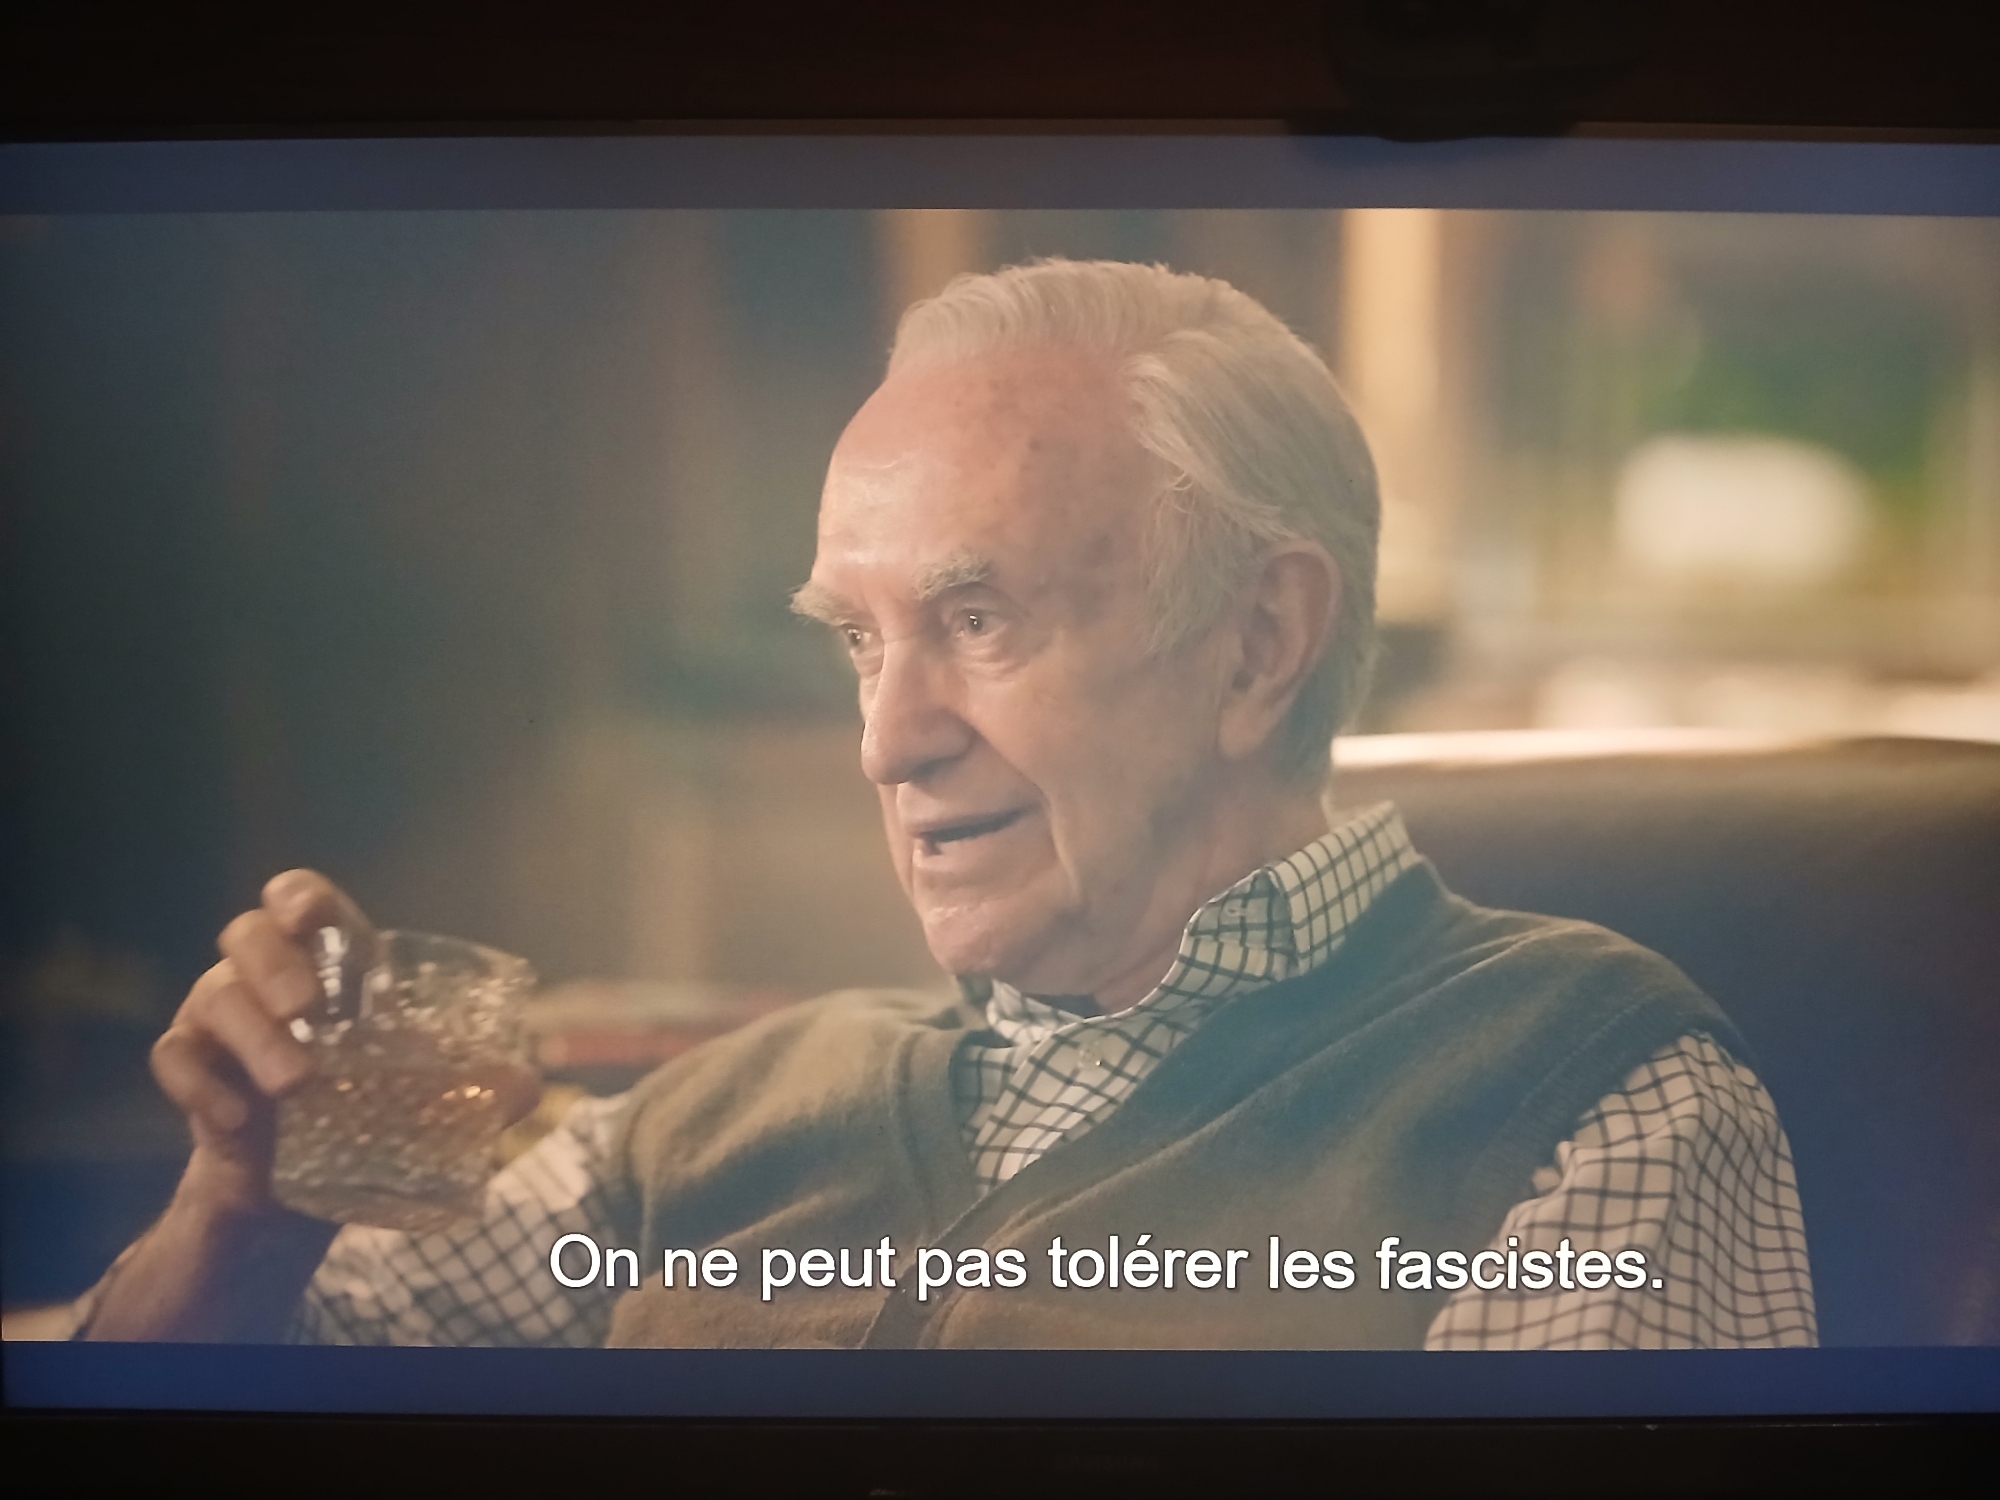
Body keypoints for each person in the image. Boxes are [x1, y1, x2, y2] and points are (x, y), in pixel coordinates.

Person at [75, 258, 1815, 1349]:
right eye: (860, 643)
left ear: (1258, 642)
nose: (887, 743)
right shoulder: (719, 1117)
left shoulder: (1585, 1095)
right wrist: (245, 1217)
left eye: (977, 621)